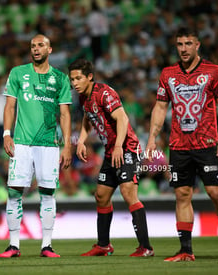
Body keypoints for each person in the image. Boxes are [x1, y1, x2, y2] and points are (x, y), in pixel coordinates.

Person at [146, 26, 218, 262]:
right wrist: (151, 137)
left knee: (215, 192)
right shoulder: (168, 74)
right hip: (178, 145)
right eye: (180, 44)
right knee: (182, 194)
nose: (183, 49)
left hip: (206, 143)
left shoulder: (214, 71)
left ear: (197, 45)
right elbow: (160, 107)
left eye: (188, 44)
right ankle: (186, 250)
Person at [68, 58, 154, 257]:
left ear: (90, 77)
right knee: (101, 196)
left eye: (78, 78)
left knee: (128, 193)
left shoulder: (105, 93)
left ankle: (146, 247)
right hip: (110, 151)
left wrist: (118, 147)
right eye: (72, 79)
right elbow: (87, 119)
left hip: (126, 148)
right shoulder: (83, 98)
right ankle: (104, 245)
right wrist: (81, 140)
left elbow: (122, 118)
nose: (74, 83)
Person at [0, 34, 72, 258]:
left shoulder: (60, 78)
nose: (35, 49)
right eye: (32, 46)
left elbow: (65, 114)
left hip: (49, 143)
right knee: (14, 192)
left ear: (50, 49)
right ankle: (13, 245)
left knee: (48, 193)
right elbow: (10, 106)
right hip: (21, 142)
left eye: (40, 45)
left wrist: (68, 145)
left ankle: (46, 245)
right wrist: (6, 134)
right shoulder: (18, 73)